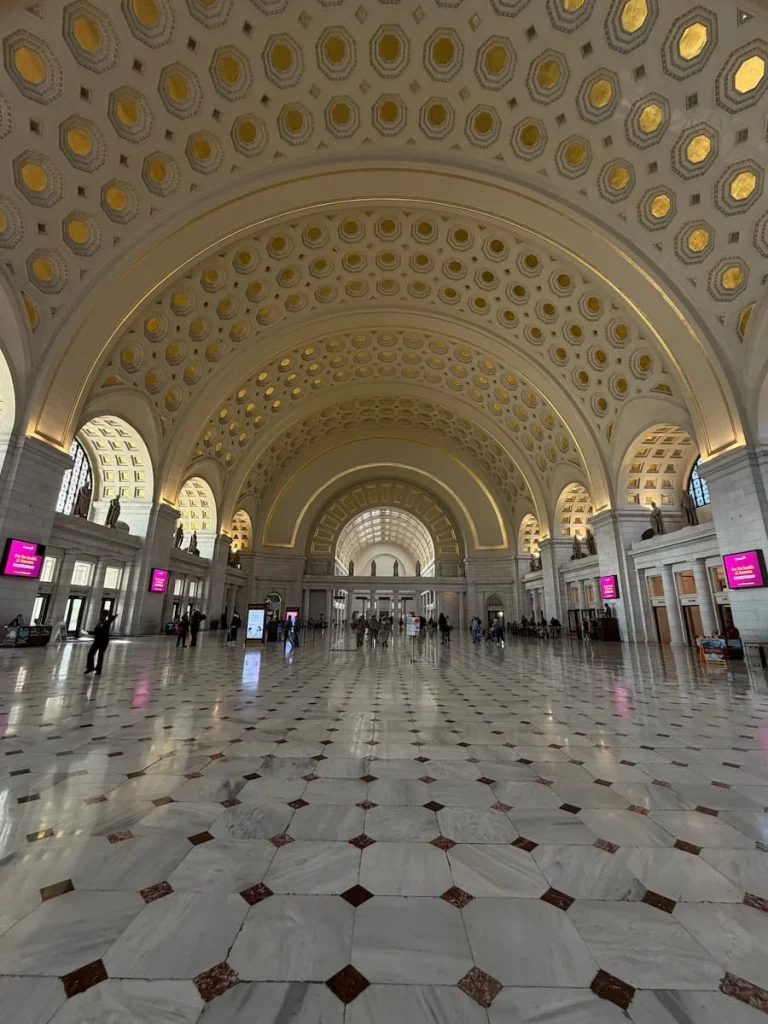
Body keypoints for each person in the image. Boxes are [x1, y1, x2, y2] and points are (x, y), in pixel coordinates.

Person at [84, 609, 118, 675]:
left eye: (102, 615)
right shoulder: (99, 623)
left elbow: (111, 619)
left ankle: (98, 669)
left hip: (103, 641)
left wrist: (115, 616)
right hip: (97, 641)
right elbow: (95, 632)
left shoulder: (107, 622)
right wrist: (87, 632)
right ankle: (90, 668)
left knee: (100, 655)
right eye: (100, 615)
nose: (100, 616)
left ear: (105, 616)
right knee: (90, 654)